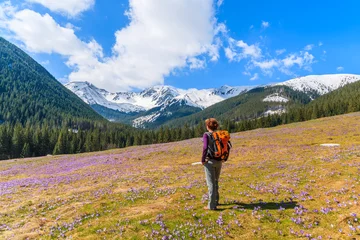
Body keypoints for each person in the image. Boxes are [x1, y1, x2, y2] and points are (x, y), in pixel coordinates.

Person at [201, 118, 222, 210]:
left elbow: (205, 147)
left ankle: (212, 206)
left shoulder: (206, 135)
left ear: (207, 126)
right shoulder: (219, 134)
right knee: (216, 181)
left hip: (210, 161)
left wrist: (202, 159)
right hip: (219, 161)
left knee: (211, 184)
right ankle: (216, 201)